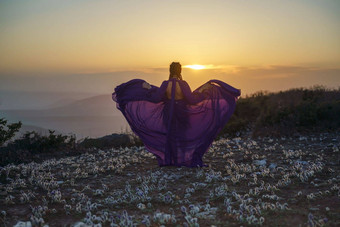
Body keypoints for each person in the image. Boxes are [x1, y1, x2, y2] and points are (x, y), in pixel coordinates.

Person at [112, 62, 240, 167]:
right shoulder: (183, 84)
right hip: (182, 113)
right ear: (180, 71)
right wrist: (203, 92)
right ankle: (184, 160)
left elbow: (156, 98)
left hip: (168, 113)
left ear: (170, 71)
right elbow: (192, 100)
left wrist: (148, 89)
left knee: (171, 135)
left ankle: (171, 161)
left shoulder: (165, 84)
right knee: (182, 135)